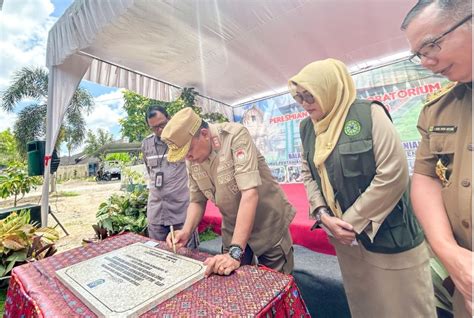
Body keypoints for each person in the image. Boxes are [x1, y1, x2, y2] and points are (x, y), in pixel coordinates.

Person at [290, 58, 436, 317]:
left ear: (329, 88)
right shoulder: (307, 129)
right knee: (365, 306)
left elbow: (393, 174)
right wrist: (324, 216)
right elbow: (308, 174)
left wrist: (349, 222)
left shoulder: (369, 114)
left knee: (406, 309)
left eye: (310, 95)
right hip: (347, 243)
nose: (304, 103)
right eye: (299, 97)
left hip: (391, 237)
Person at [161, 107, 296, 276]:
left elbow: (249, 193)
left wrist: (235, 252)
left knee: (275, 284)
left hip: (267, 223)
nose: (187, 157)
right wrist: (186, 231)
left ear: (204, 133)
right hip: (233, 228)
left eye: (188, 150)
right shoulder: (193, 158)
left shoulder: (235, 136)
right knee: (230, 282)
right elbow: (197, 200)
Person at [401, 1, 472, 316]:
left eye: (431, 45)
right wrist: (450, 253)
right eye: (419, 54)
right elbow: (426, 176)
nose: (427, 61)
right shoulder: (436, 110)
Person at [142, 105, 198, 248]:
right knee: (159, 256)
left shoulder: (183, 140)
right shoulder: (146, 144)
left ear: (170, 118)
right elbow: (150, 173)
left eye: (162, 125)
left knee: (188, 257)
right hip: (156, 213)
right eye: (154, 128)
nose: (159, 130)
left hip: (181, 212)